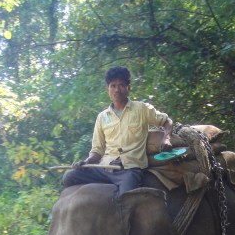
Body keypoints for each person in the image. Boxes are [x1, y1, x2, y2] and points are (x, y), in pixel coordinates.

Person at [62, 66, 173, 195]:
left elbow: (166, 121)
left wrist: (167, 138)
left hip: (129, 170)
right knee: (69, 177)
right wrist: (86, 162)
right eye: (113, 86)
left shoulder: (141, 109)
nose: (117, 90)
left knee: (126, 200)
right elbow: (97, 150)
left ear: (128, 88)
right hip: (104, 169)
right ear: (107, 89)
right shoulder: (102, 117)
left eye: (121, 85)